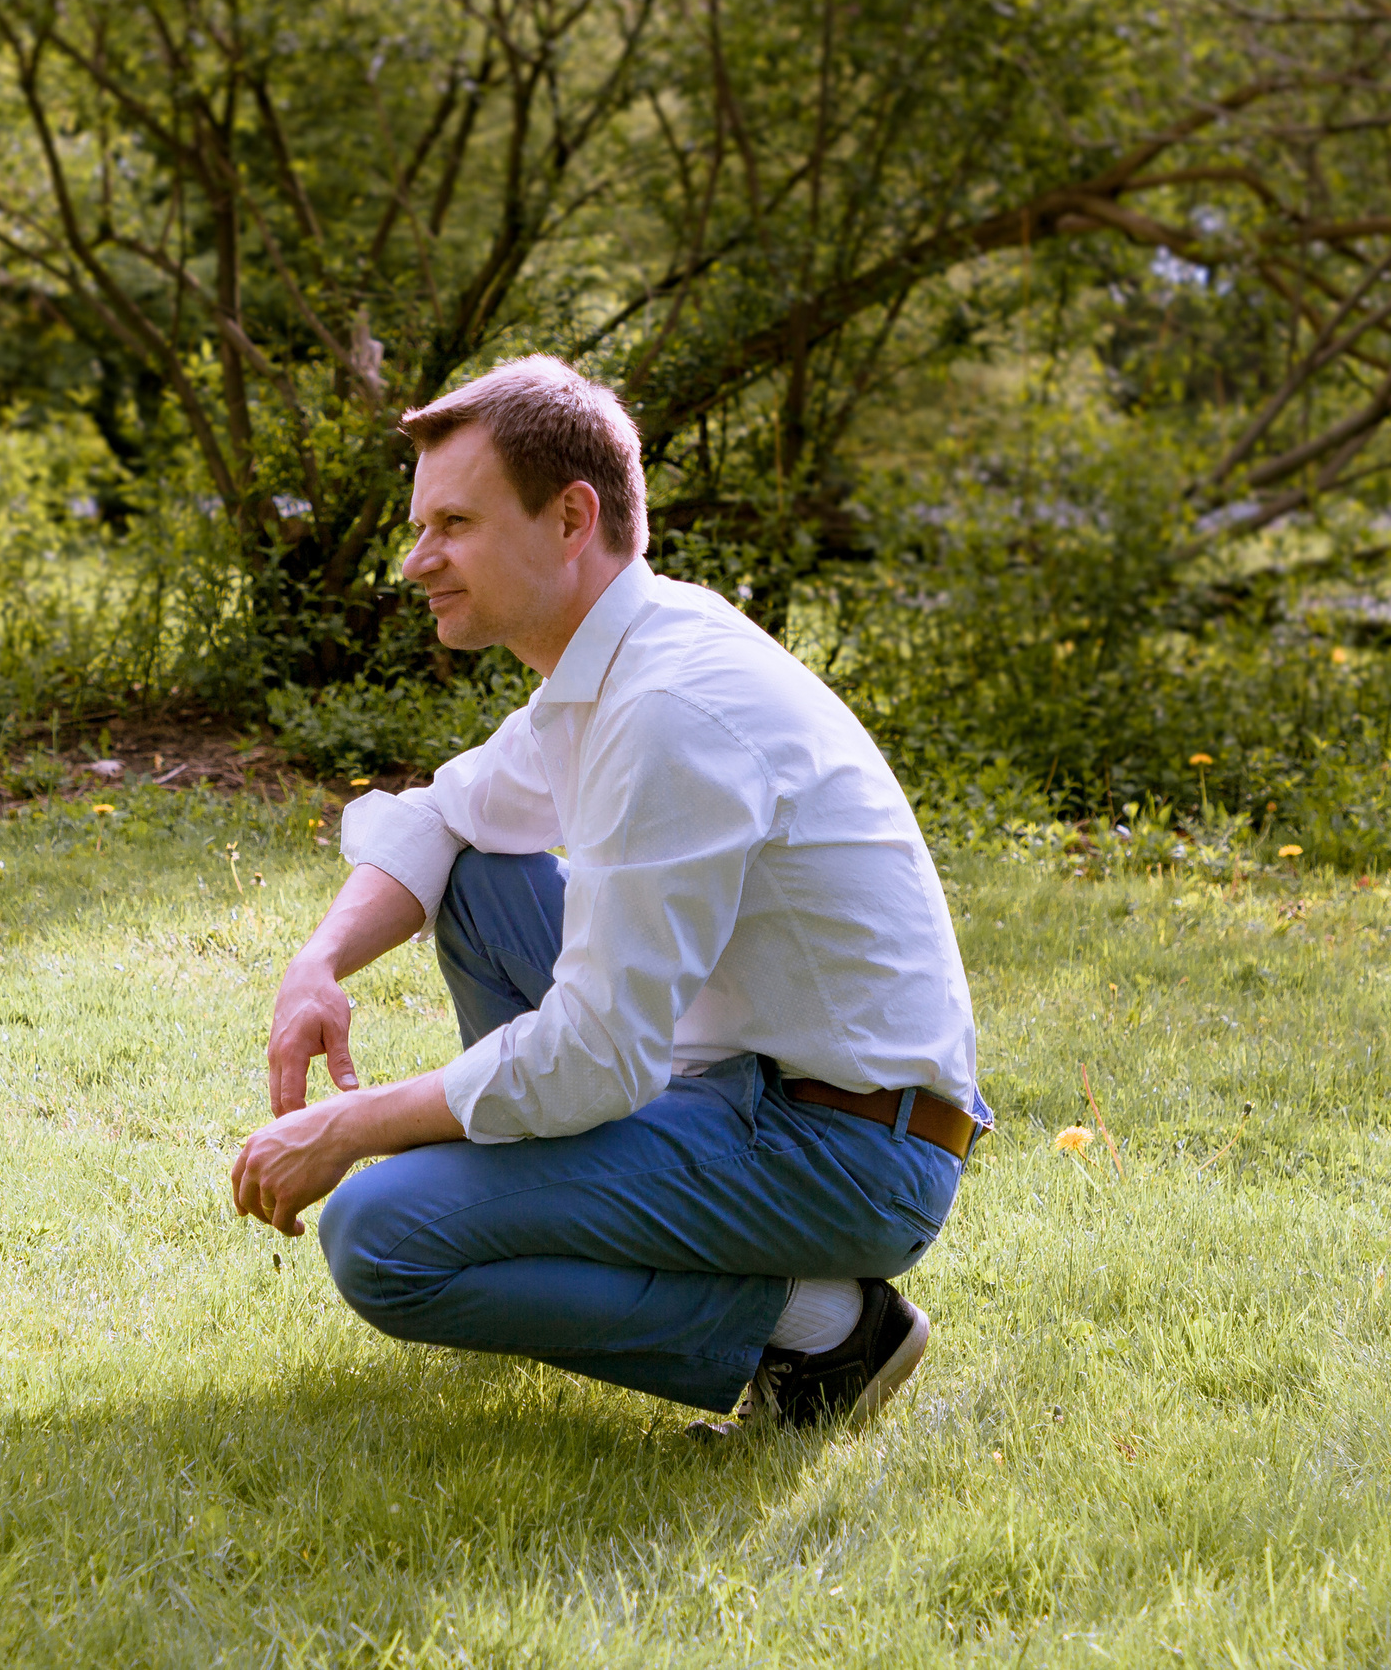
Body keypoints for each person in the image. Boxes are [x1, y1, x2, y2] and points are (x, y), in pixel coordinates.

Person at [231, 357, 985, 1435]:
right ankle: (531, 1220)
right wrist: (318, 964)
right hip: (737, 1085)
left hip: (845, 1150)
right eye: (420, 526)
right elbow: (446, 816)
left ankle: (822, 1328)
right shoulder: (615, 658)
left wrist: (350, 1126)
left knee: (380, 1236)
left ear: (570, 518)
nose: (415, 561)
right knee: (484, 873)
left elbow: (595, 1055)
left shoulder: (672, 705)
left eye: (454, 524)